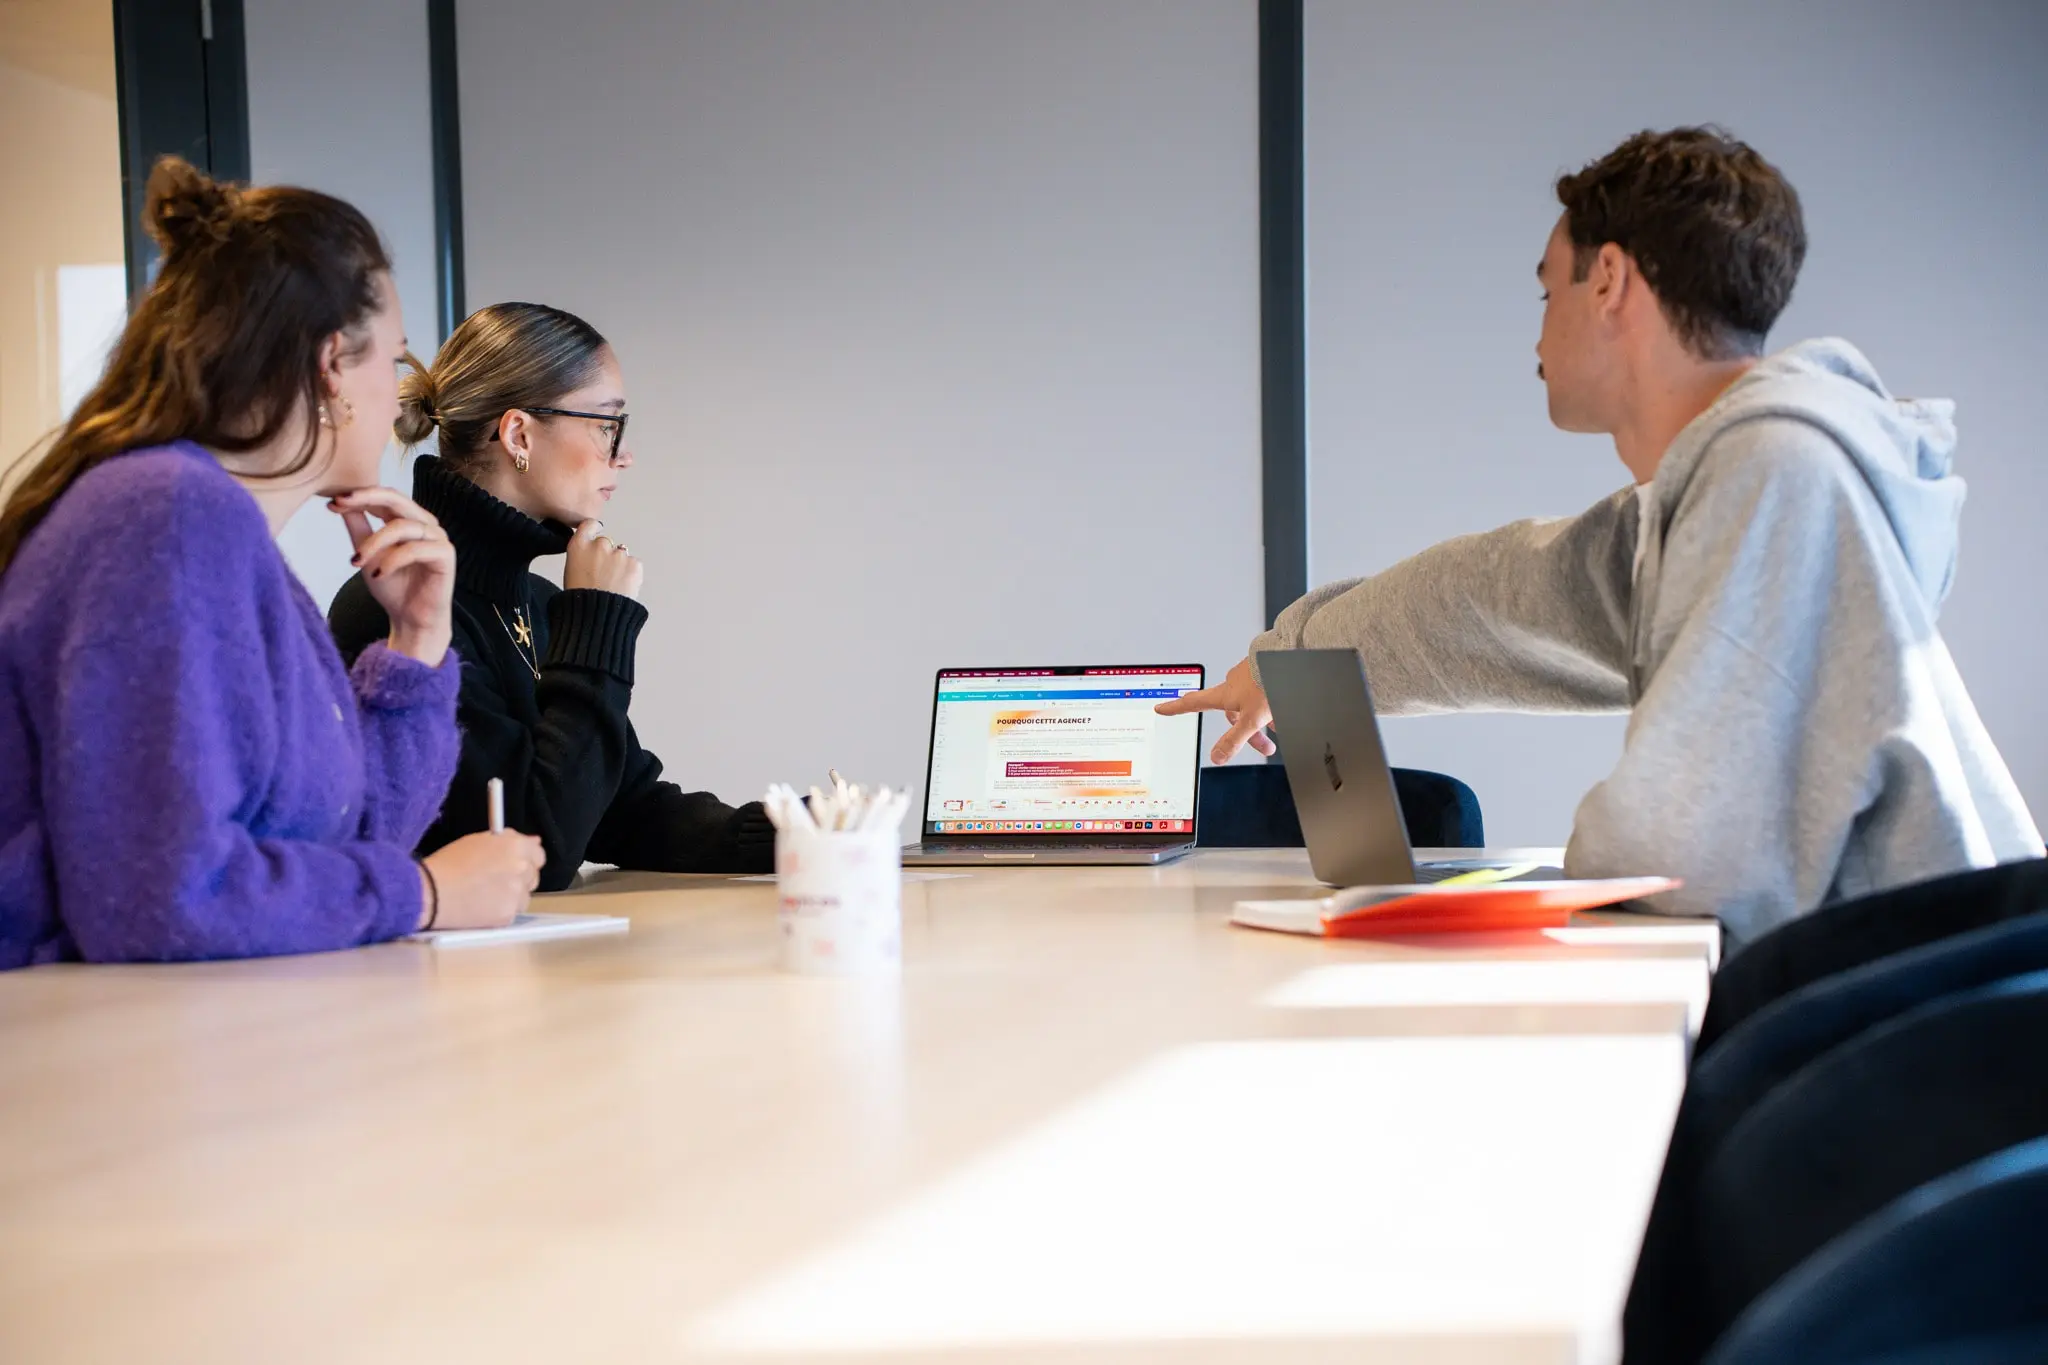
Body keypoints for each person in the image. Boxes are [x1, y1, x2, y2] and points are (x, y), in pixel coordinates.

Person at [1162, 126, 2041, 947]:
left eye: (1550, 290)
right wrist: (1293, 655)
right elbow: (1493, 600)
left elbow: (1676, 839)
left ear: (1610, 280)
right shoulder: (1718, 485)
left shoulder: (1777, 468)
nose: (1539, 329)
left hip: (1918, 1016)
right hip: (1867, 981)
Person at [0, 159, 543, 969]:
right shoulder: (163, 513)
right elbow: (164, 900)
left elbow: (344, 838)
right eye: (392, 364)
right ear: (332, 364)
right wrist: (425, 891)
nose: (400, 403)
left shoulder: (226, 537)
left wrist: (417, 639)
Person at [328, 302, 775, 891]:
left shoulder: (533, 599)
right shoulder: (395, 610)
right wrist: (598, 620)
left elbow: (618, 807)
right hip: (437, 977)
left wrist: (797, 835)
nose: (623, 453)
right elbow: (543, 844)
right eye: (606, 424)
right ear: (518, 434)